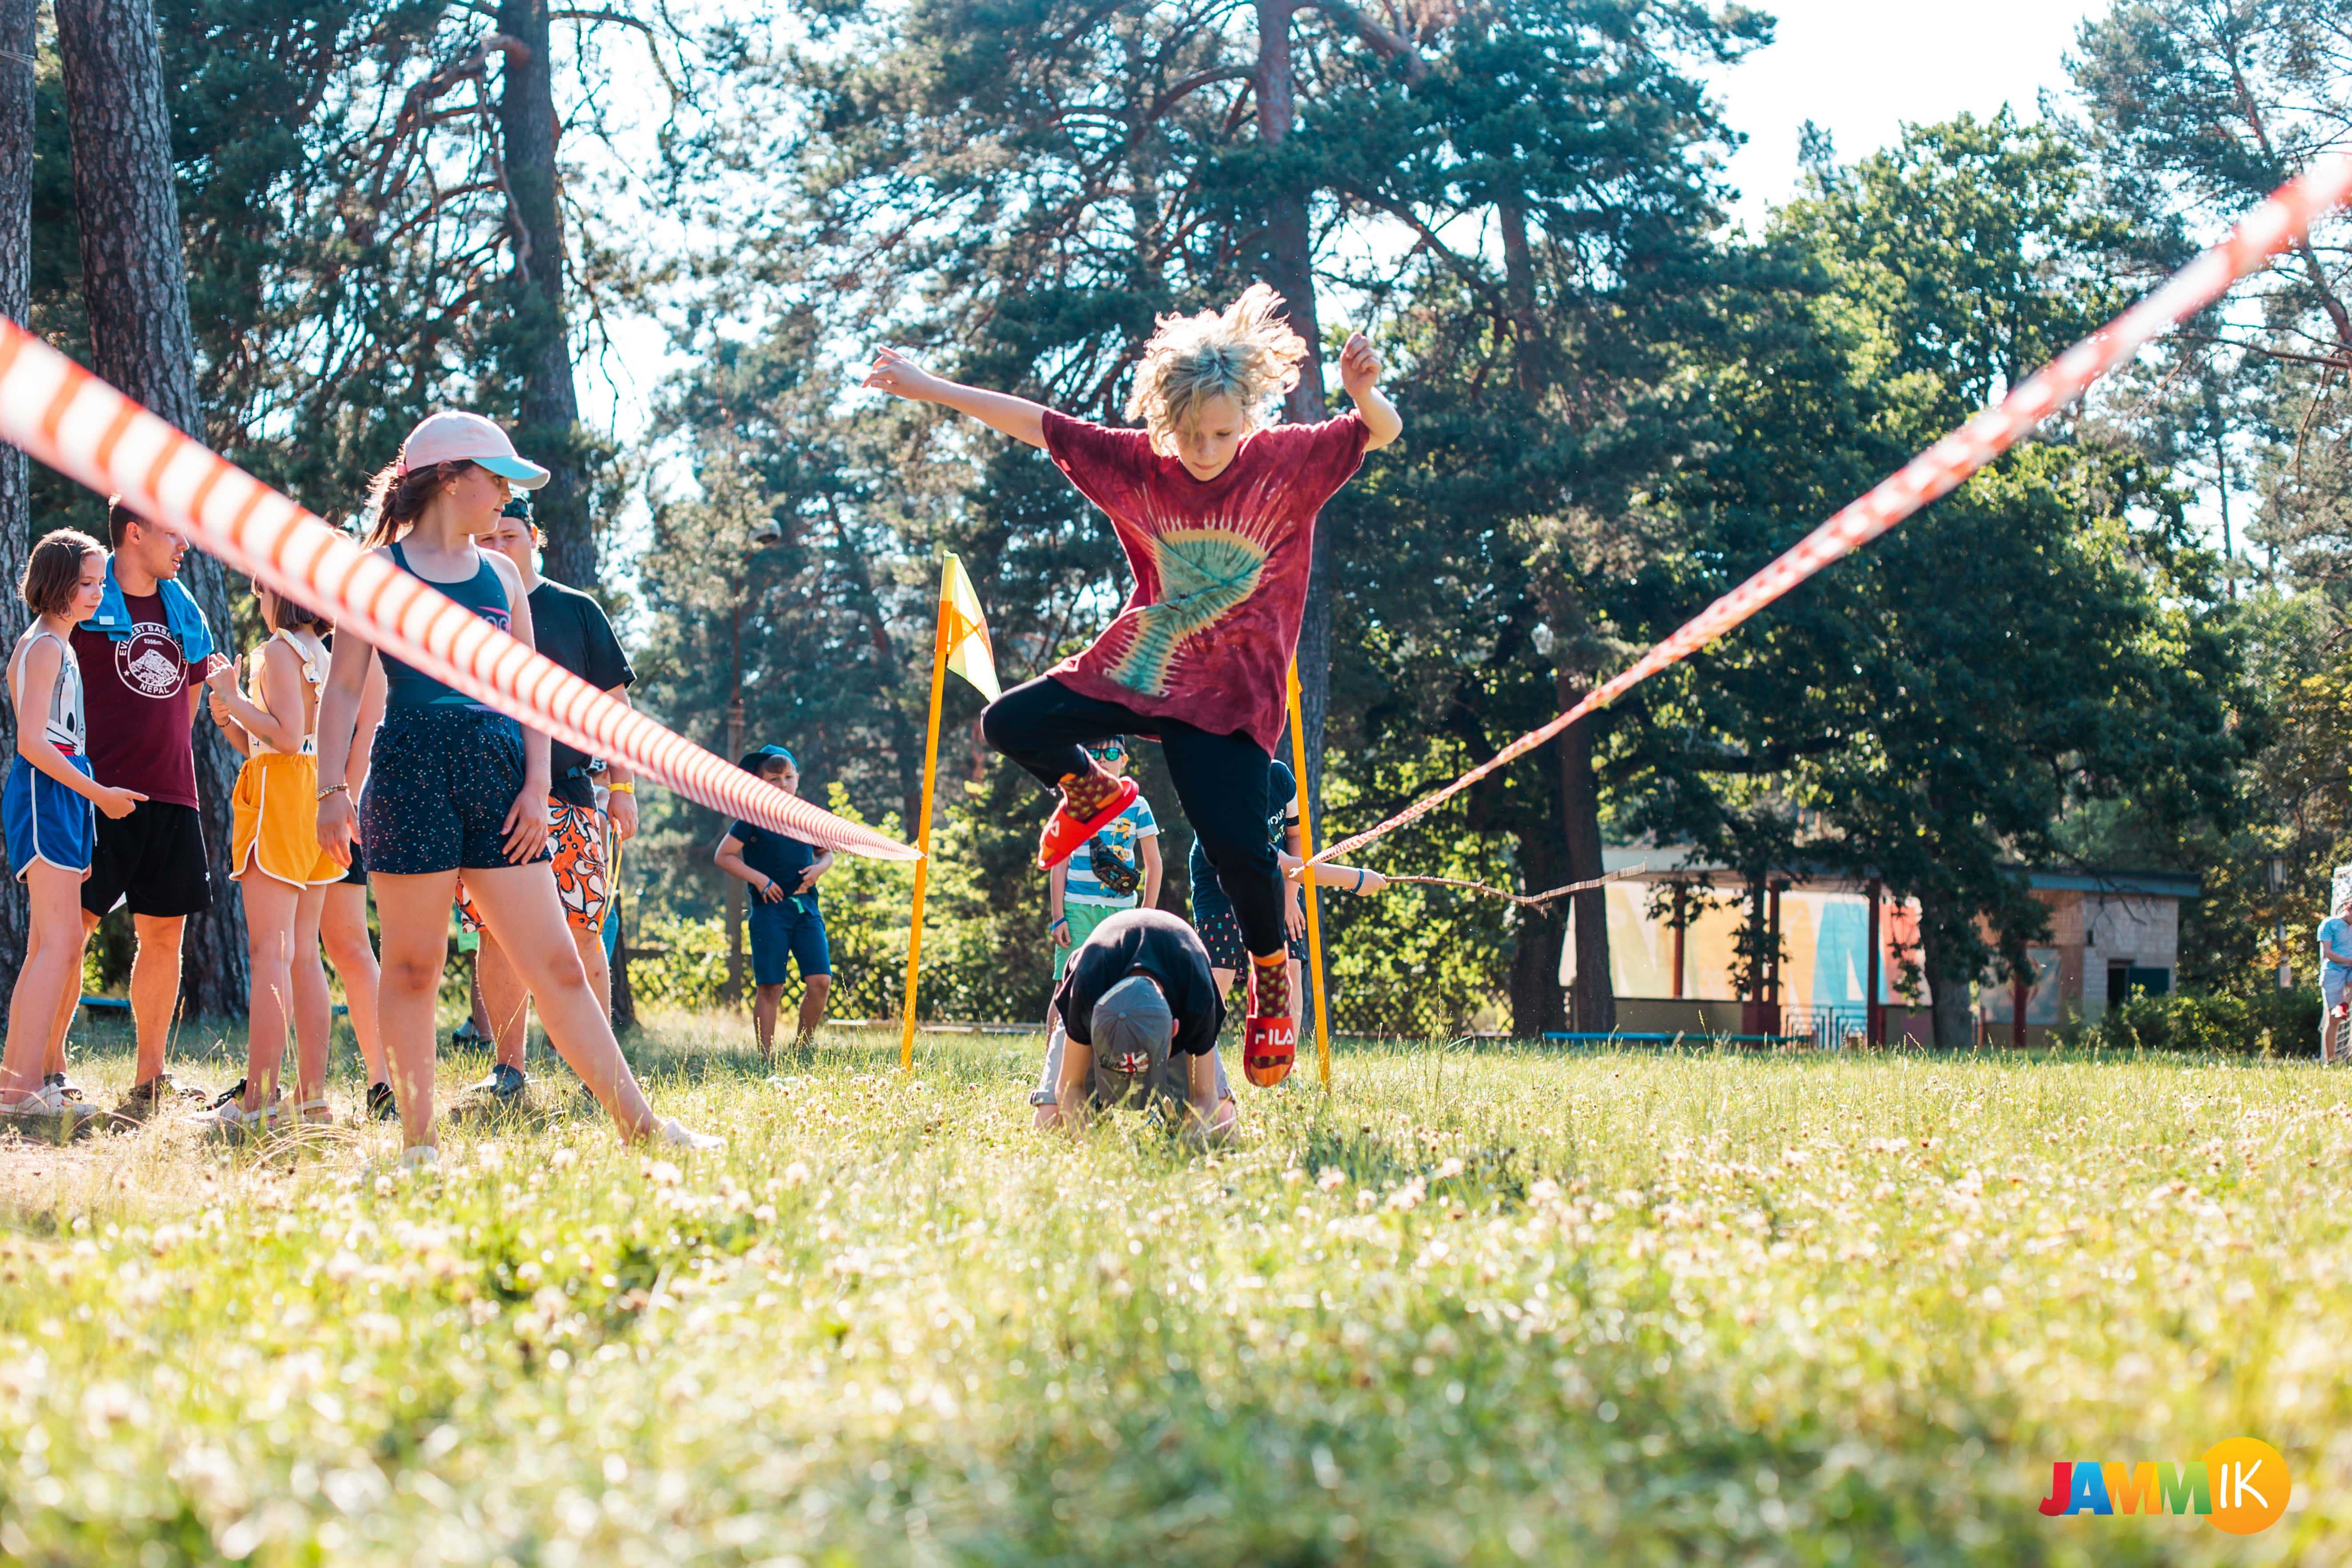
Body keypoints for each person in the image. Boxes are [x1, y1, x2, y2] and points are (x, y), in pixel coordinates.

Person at [863, 284, 1401, 1084]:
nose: (1205, 449)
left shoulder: (1286, 463)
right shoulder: (1136, 462)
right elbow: (1037, 424)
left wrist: (1365, 392)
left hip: (1229, 706)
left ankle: (1268, 975)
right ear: (1165, 419)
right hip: (1142, 670)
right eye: (1188, 435)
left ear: (1248, 416)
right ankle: (1095, 793)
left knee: (1237, 853)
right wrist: (927, 385)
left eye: (1221, 433)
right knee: (1009, 723)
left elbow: (1379, 432)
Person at [311, 410, 718, 1163]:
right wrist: (330, 792)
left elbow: (532, 694)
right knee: (411, 969)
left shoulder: (501, 575)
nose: (505, 500)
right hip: (407, 775)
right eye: (497, 482)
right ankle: (418, 1147)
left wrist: (536, 788)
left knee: (558, 963)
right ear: (449, 478)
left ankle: (644, 1129)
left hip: (501, 780)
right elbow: (341, 692)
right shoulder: (373, 572)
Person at [454, 497, 640, 1104]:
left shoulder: (576, 611)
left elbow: (614, 706)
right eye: (489, 537)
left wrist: (623, 787)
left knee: (583, 930)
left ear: (535, 537)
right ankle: (509, 1070)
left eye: (509, 536)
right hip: (489, 798)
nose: (498, 547)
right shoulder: (466, 609)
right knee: (493, 934)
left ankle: (598, 1074)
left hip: (569, 795)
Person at [58, 498, 223, 1123]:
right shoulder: (87, 602)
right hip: (95, 795)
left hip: (172, 796)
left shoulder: (185, 611)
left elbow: (188, 704)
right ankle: (50, 1072)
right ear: (134, 532)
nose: (184, 544)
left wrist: (161, 769)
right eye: (173, 531)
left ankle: (150, 1076)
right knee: (68, 934)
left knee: (164, 936)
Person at [191, 581, 347, 1135]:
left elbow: (284, 738)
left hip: (280, 799)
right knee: (305, 953)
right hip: (316, 792)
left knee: (270, 955)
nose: (258, 600)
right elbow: (281, 738)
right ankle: (312, 1098)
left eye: (261, 589)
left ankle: (258, 1098)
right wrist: (232, 719)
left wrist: (234, 699)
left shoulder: (278, 650)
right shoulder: (325, 655)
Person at [0, 532, 141, 1134]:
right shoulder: (45, 649)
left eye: (99, 581)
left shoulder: (52, 645)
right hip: (48, 790)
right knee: (56, 945)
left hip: (58, 794)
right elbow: (33, 743)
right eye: (87, 582)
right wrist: (98, 798)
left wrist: (83, 808)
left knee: (48, 945)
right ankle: (23, 1089)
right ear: (55, 582)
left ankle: (20, 1084)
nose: (98, 591)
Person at [1191, 756, 1387, 1082]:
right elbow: (1282, 862)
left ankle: (1281, 1066)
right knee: (1218, 977)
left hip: (1275, 885)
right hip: (1221, 889)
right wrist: (1354, 879)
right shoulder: (1224, 790)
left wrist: (1290, 897)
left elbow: (1295, 840)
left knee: (1290, 970)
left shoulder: (1279, 775)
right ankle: (1192, 1064)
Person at [1033, 907, 1229, 1139]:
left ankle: (1176, 1117)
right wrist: (1091, 1145)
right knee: (1049, 1125)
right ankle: (1098, 1115)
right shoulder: (1088, 987)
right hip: (1094, 988)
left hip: (1182, 989)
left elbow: (1204, 1096)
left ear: (1175, 1029)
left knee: (1223, 1127)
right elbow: (1069, 1087)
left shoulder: (1197, 994)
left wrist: (1191, 1141)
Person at [713, 746, 832, 1060]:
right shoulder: (752, 818)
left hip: (807, 910)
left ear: (798, 778)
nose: (783, 784)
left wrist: (820, 869)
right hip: (769, 913)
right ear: (759, 782)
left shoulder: (806, 816)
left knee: (820, 981)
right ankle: (766, 1059)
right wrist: (759, 879)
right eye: (774, 779)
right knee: (771, 986)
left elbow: (826, 853)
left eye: (789, 777)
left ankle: (801, 1050)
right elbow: (723, 856)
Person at [1046, 735, 1160, 1011]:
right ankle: (1053, 1055)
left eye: (1111, 754)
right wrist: (1058, 916)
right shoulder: (1074, 804)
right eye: (1094, 754)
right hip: (1077, 908)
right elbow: (1059, 863)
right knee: (1067, 985)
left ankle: (1104, 1054)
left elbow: (1154, 864)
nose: (1102, 760)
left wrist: (1145, 915)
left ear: (1124, 760)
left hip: (1122, 911)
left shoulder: (1138, 806)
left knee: (1119, 985)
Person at [2320, 893, 2352, 1065]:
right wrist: (2349, 961)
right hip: (2334, 973)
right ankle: (2329, 1061)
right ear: (2348, 909)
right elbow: (2328, 953)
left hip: (2350, 972)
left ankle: (2345, 1003)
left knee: (2340, 1010)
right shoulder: (2330, 924)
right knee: (2334, 1019)